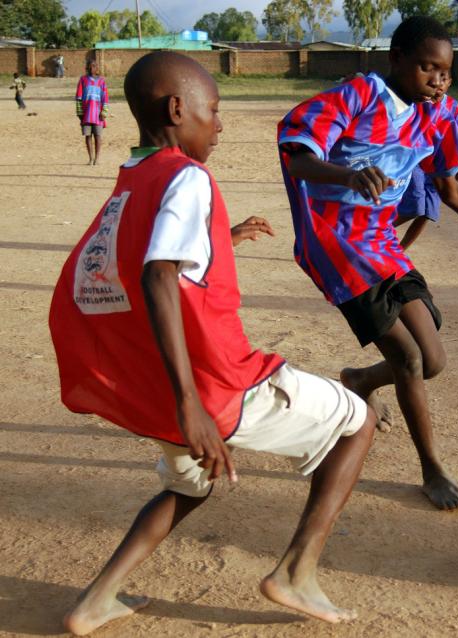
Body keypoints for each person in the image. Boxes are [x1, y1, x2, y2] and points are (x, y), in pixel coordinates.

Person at [50, 51, 376, 636]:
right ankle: (296, 574)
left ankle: (95, 601)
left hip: (158, 391)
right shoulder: (187, 175)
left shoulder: (132, 177)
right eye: (214, 110)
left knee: (188, 484)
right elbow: (155, 275)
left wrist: (221, 236)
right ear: (178, 109)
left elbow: (128, 264)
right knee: (359, 419)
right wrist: (190, 404)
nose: (220, 124)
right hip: (215, 385)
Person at [277, 16, 458, 511]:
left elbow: (449, 188)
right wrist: (348, 175)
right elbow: (296, 155)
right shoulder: (358, 95)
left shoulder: (441, 114)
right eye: (427, 68)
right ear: (396, 59)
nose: (438, 80)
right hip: (336, 243)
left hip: (381, 243)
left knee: (433, 359)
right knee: (408, 359)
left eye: (445, 71)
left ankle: (358, 380)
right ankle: (432, 470)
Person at [396, 74, 458, 251]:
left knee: (428, 212)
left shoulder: (453, 106)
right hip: (417, 163)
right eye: (436, 80)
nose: (439, 85)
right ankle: (375, 235)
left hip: (440, 166)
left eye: (444, 80)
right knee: (414, 206)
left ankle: (399, 251)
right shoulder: (420, 102)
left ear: (450, 83)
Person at [76, 60, 108, 165]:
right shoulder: (83, 80)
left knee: (98, 136)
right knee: (88, 136)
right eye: (90, 66)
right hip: (86, 114)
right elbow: (78, 97)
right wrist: (79, 112)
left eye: (94, 66)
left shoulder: (101, 81)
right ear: (87, 68)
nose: (92, 68)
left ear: (97, 68)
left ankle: (97, 159)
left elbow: (105, 98)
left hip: (98, 114)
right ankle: (90, 158)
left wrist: (104, 112)